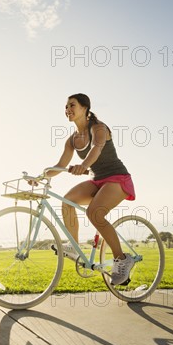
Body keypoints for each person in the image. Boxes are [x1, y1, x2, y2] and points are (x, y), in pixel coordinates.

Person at [44, 93, 136, 285]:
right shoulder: (72, 140)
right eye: (66, 107)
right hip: (97, 180)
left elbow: (96, 148)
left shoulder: (99, 128)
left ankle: (122, 259)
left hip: (117, 178)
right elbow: (61, 165)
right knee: (67, 201)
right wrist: (41, 177)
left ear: (85, 108)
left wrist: (84, 165)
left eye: (72, 105)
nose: (67, 109)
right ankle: (74, 245)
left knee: (94, 213)